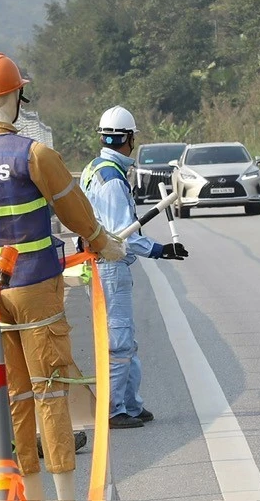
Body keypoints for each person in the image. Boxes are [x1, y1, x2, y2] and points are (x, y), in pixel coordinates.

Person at [0, 53, 124, 501]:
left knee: (16, 399)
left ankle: (33, 495)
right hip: (38, 290)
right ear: (15, 95)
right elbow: (75, 210)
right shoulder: (34, 155)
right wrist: (105, 244)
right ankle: (65, 495)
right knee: (51, 394)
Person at [81, 105, 189, 429]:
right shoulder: (112, 180)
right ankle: (114, 410)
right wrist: (160, 250)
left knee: (126, 339)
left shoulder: (94, 168)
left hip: (102, 265)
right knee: (120, 341)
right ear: (128, 139)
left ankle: (131, 403)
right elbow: (122, 235)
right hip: (110, 266)